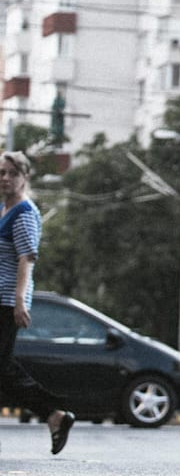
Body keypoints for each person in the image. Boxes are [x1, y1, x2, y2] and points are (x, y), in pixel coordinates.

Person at [0, 150, 76, 455]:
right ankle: (54, 414)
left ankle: (54, 413)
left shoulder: (24, 212)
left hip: (6, 300)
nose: (5, 179)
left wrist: (20, 300)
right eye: (1, 173)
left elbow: (27, 257)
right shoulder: (4, 208)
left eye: (12, 173)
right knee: (2, 369)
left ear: (25, 177)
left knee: (2, 368)